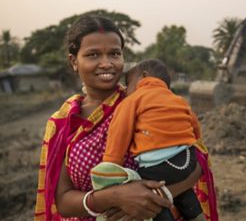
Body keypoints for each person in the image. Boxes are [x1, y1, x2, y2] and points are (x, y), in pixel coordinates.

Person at [34, 15, 217, 221]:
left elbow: (196, 157)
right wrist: (114, 198)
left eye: (114, 54)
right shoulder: (64, 122)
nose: (106, 63)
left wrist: (156, 196)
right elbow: (64, 202)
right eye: (93, 55)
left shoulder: (148, 103)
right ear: (73, 61)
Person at [99, 59, 204, 221]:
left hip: (158, 168)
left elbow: (119, 133)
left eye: (128, 84)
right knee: (182, 190)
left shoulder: (132, 101)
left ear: (144, 77)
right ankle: (197, 215)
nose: (126, 90)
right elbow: (195, 127)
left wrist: (111, 167)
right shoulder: (178, 99)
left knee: (146, 194)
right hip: (188, 160)